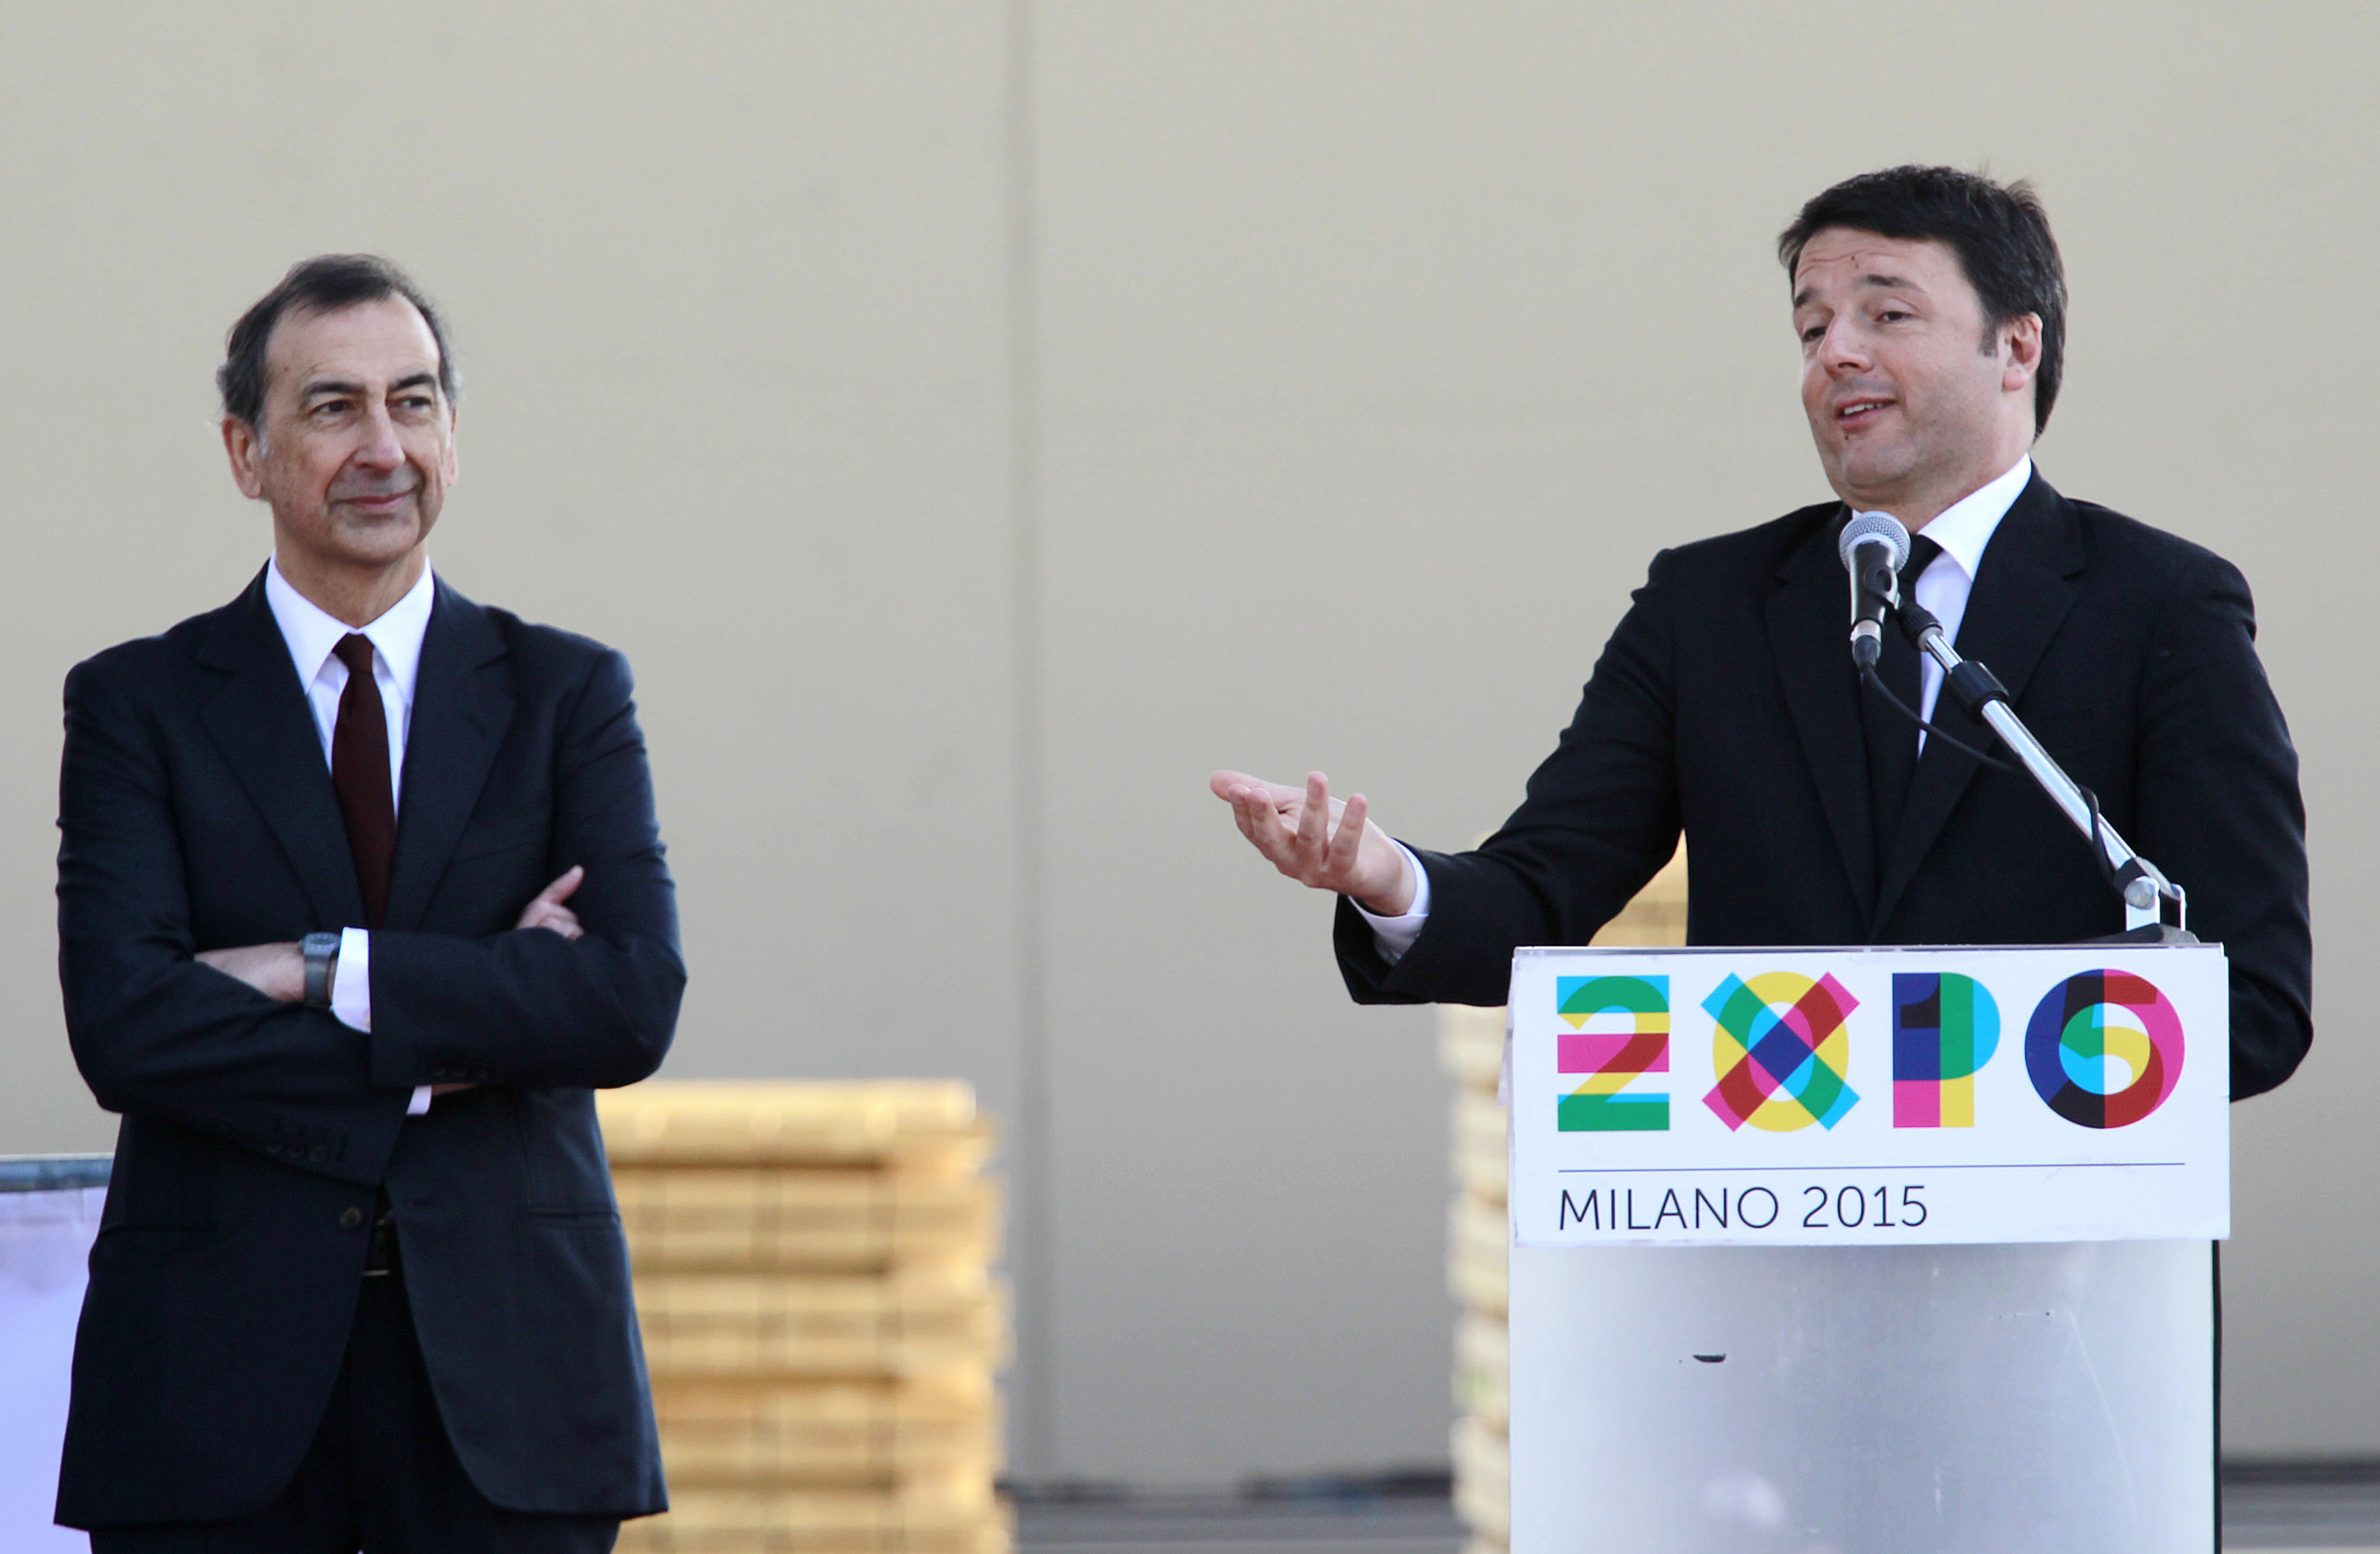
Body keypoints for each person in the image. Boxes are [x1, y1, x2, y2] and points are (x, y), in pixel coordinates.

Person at [1212, 166, 2310, 1098]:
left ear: (2015, 348)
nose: (1834, 353)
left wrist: (1936, 1078)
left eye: (1886, 314)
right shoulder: (1710, 606)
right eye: (1811, 325)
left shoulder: (2161, 603)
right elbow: (1540, 899)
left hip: (2066, 1289)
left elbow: (2253, 1001)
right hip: (1764, 1261)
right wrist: (1385, 877)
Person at [55, 256, 684, 1551]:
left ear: (455, 430)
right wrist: (473, 1014)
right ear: (248, 449)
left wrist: (317, 965)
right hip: (212, 1381)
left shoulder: (566, 693)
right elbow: (127, 1027)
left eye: (415, 400)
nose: (383, 446)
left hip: (510, 1383)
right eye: (334, 406)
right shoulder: (138, 705)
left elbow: (625, 1003)